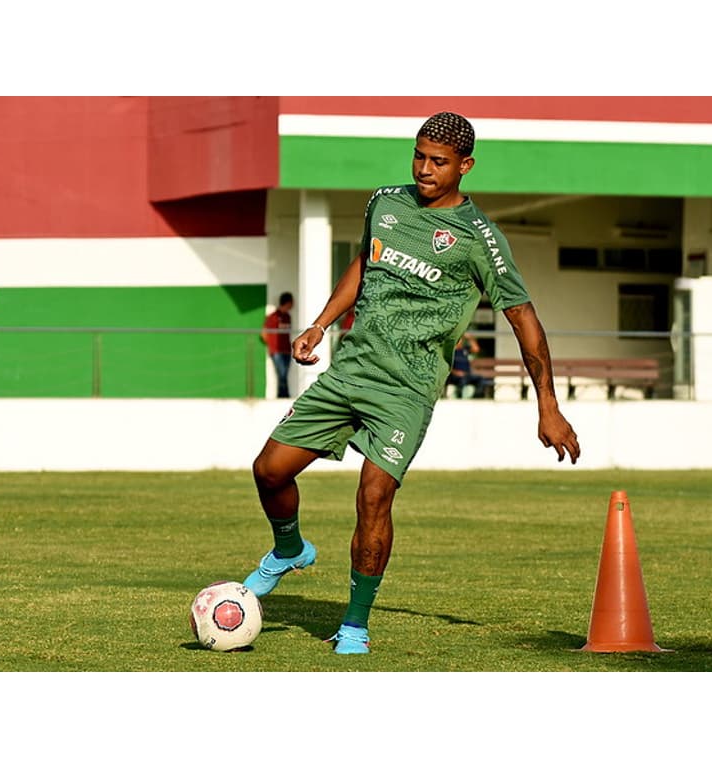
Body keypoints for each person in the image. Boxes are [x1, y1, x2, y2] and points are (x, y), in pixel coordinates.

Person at [243, 112, 580, 655]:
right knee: (268, 470)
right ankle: (289, 550)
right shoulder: (385, 202)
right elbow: (365, 263)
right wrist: (320, 323)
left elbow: (524, 320)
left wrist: (547, 405)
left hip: (407, 390)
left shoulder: (480, 240)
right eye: (419, 156)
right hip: (351, 370)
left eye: (439, 161)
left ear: (465, 166)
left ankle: (354, 623)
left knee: (374, 496)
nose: (424, 169)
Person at [262, 292, 294, 398]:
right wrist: (272, 345)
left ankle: (283, 394)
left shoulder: (288, 317)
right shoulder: (273, 316)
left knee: (284, 374)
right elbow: (264, 333)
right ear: (287, 302)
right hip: (276, 351)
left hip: (287, 350)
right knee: (282, 374)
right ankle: (283, 395)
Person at [447, 332, 493, 398]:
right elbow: (447, 366)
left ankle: (477, 396)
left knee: (480, 379)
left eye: (461, 339)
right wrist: (455, 372)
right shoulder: (451, 351)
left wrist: (470, 338)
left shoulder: (464, 349)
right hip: (455, 376)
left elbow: (476, 349)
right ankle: (460, 397)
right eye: (459, 339)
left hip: (467, 375)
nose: (460, 341)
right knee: (463, 380)